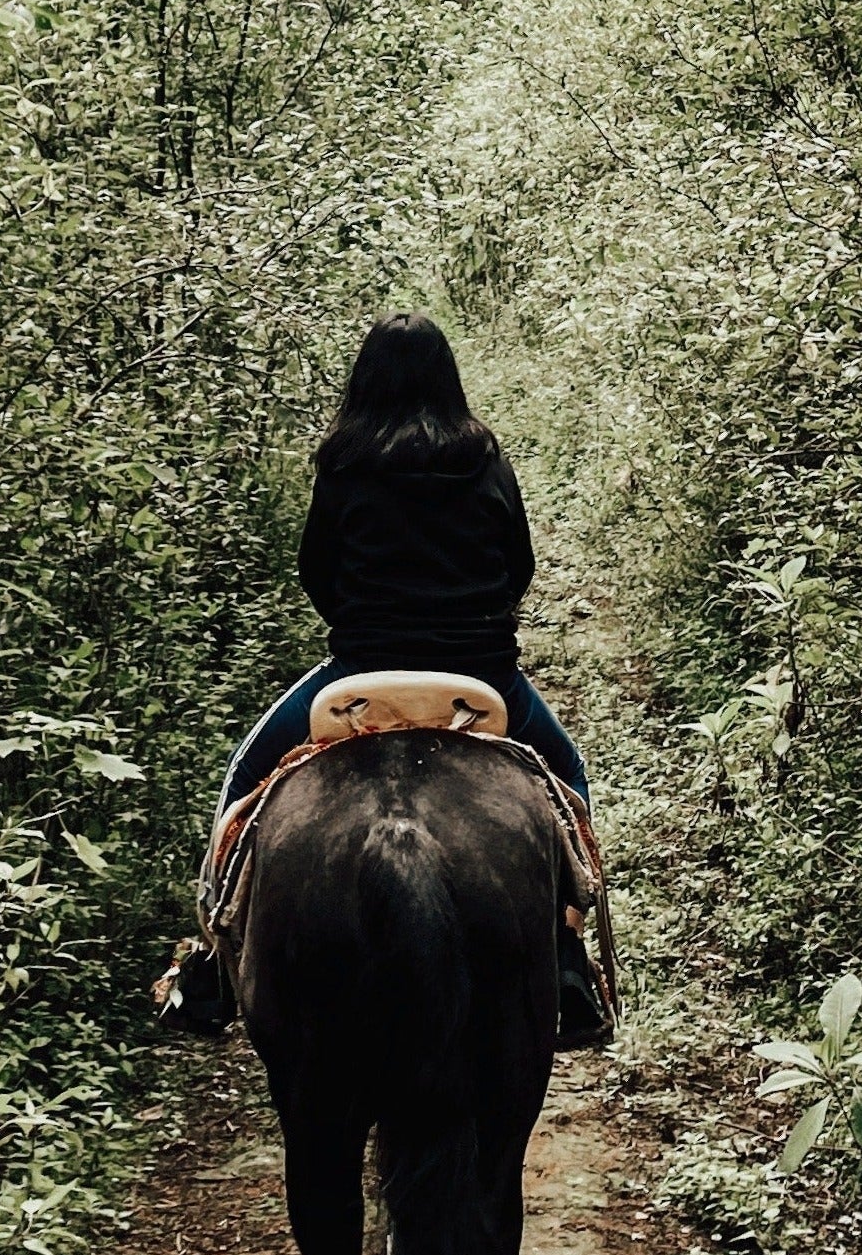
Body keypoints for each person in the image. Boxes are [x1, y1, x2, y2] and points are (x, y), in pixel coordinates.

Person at [212, 313, 611, 1048]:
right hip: (481, 677)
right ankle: (566, 957)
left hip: (359, 673)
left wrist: (367, 626)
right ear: (447, 376)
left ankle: (210, 961)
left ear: (367, 377)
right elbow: (516, 565)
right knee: (570, 784)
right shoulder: (486, 457)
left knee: (242, 786)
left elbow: (316, 575)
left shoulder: (342, 462)